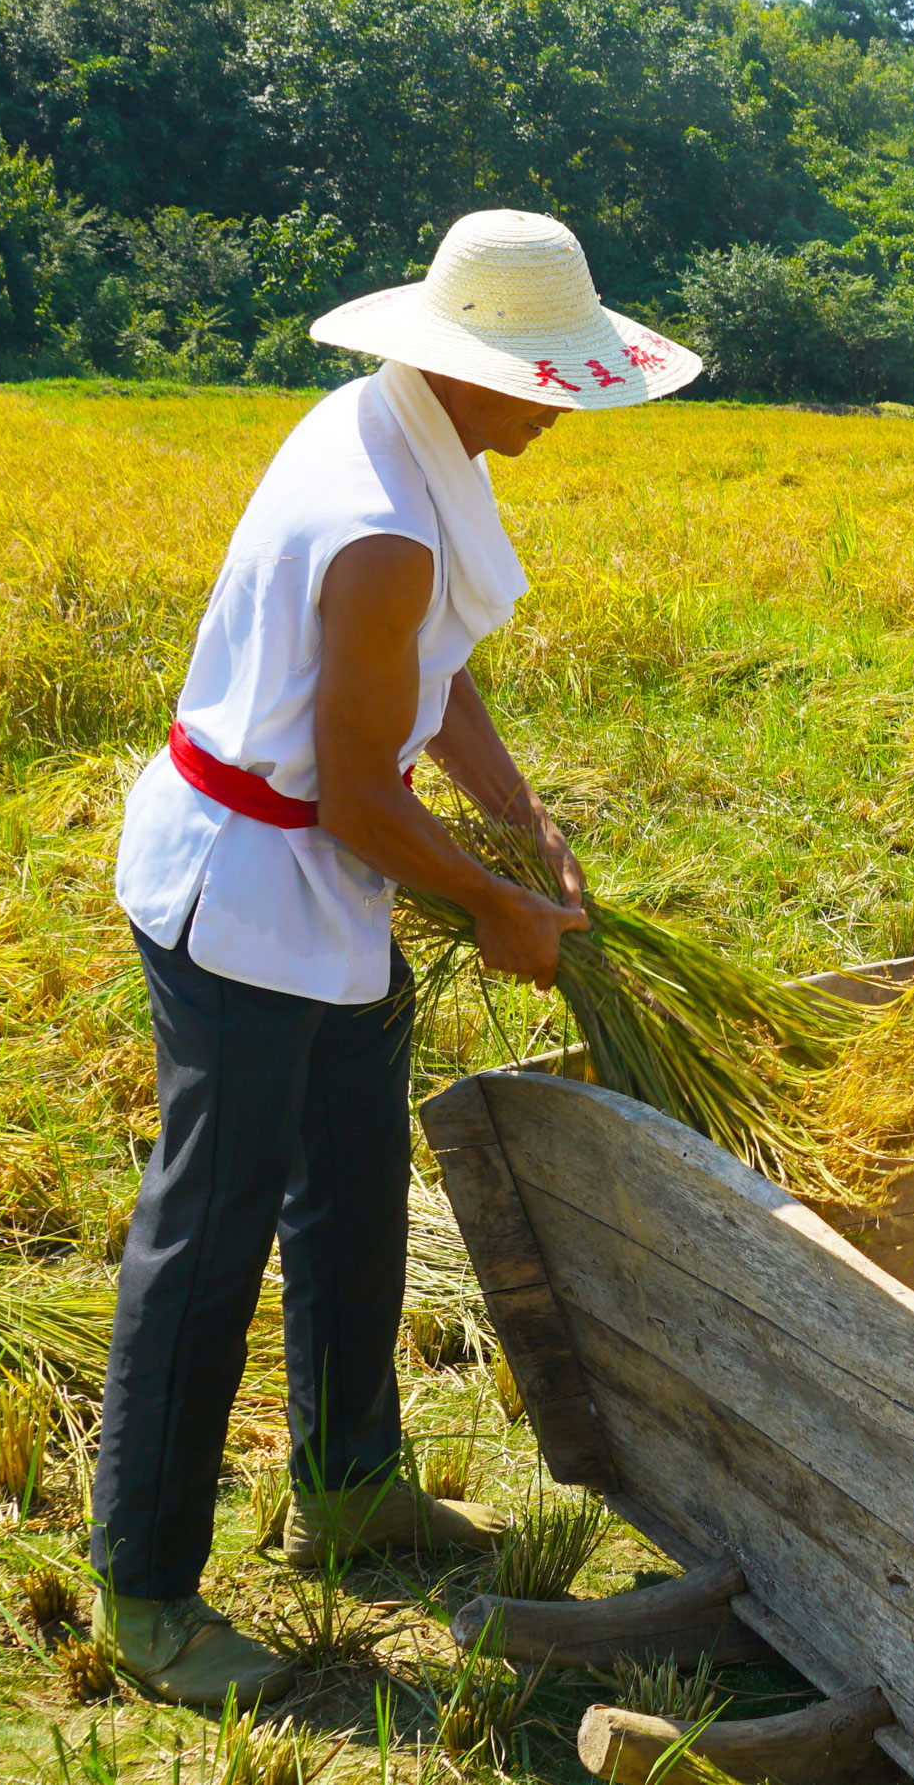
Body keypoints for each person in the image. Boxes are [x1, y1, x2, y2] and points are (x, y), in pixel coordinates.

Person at [98, 210, 701, 1706]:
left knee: (352, 1178)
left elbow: (432, 677)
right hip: (244, 891)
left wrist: (521, 816)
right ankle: (150, 1595)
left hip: (322, 882)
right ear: (473, 365)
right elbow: (358, 791)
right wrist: (496, 907)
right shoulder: (376, 517)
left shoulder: (403, 433)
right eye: (551, 378)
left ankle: (353, 1483)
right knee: (210, 1230)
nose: (565, 402)